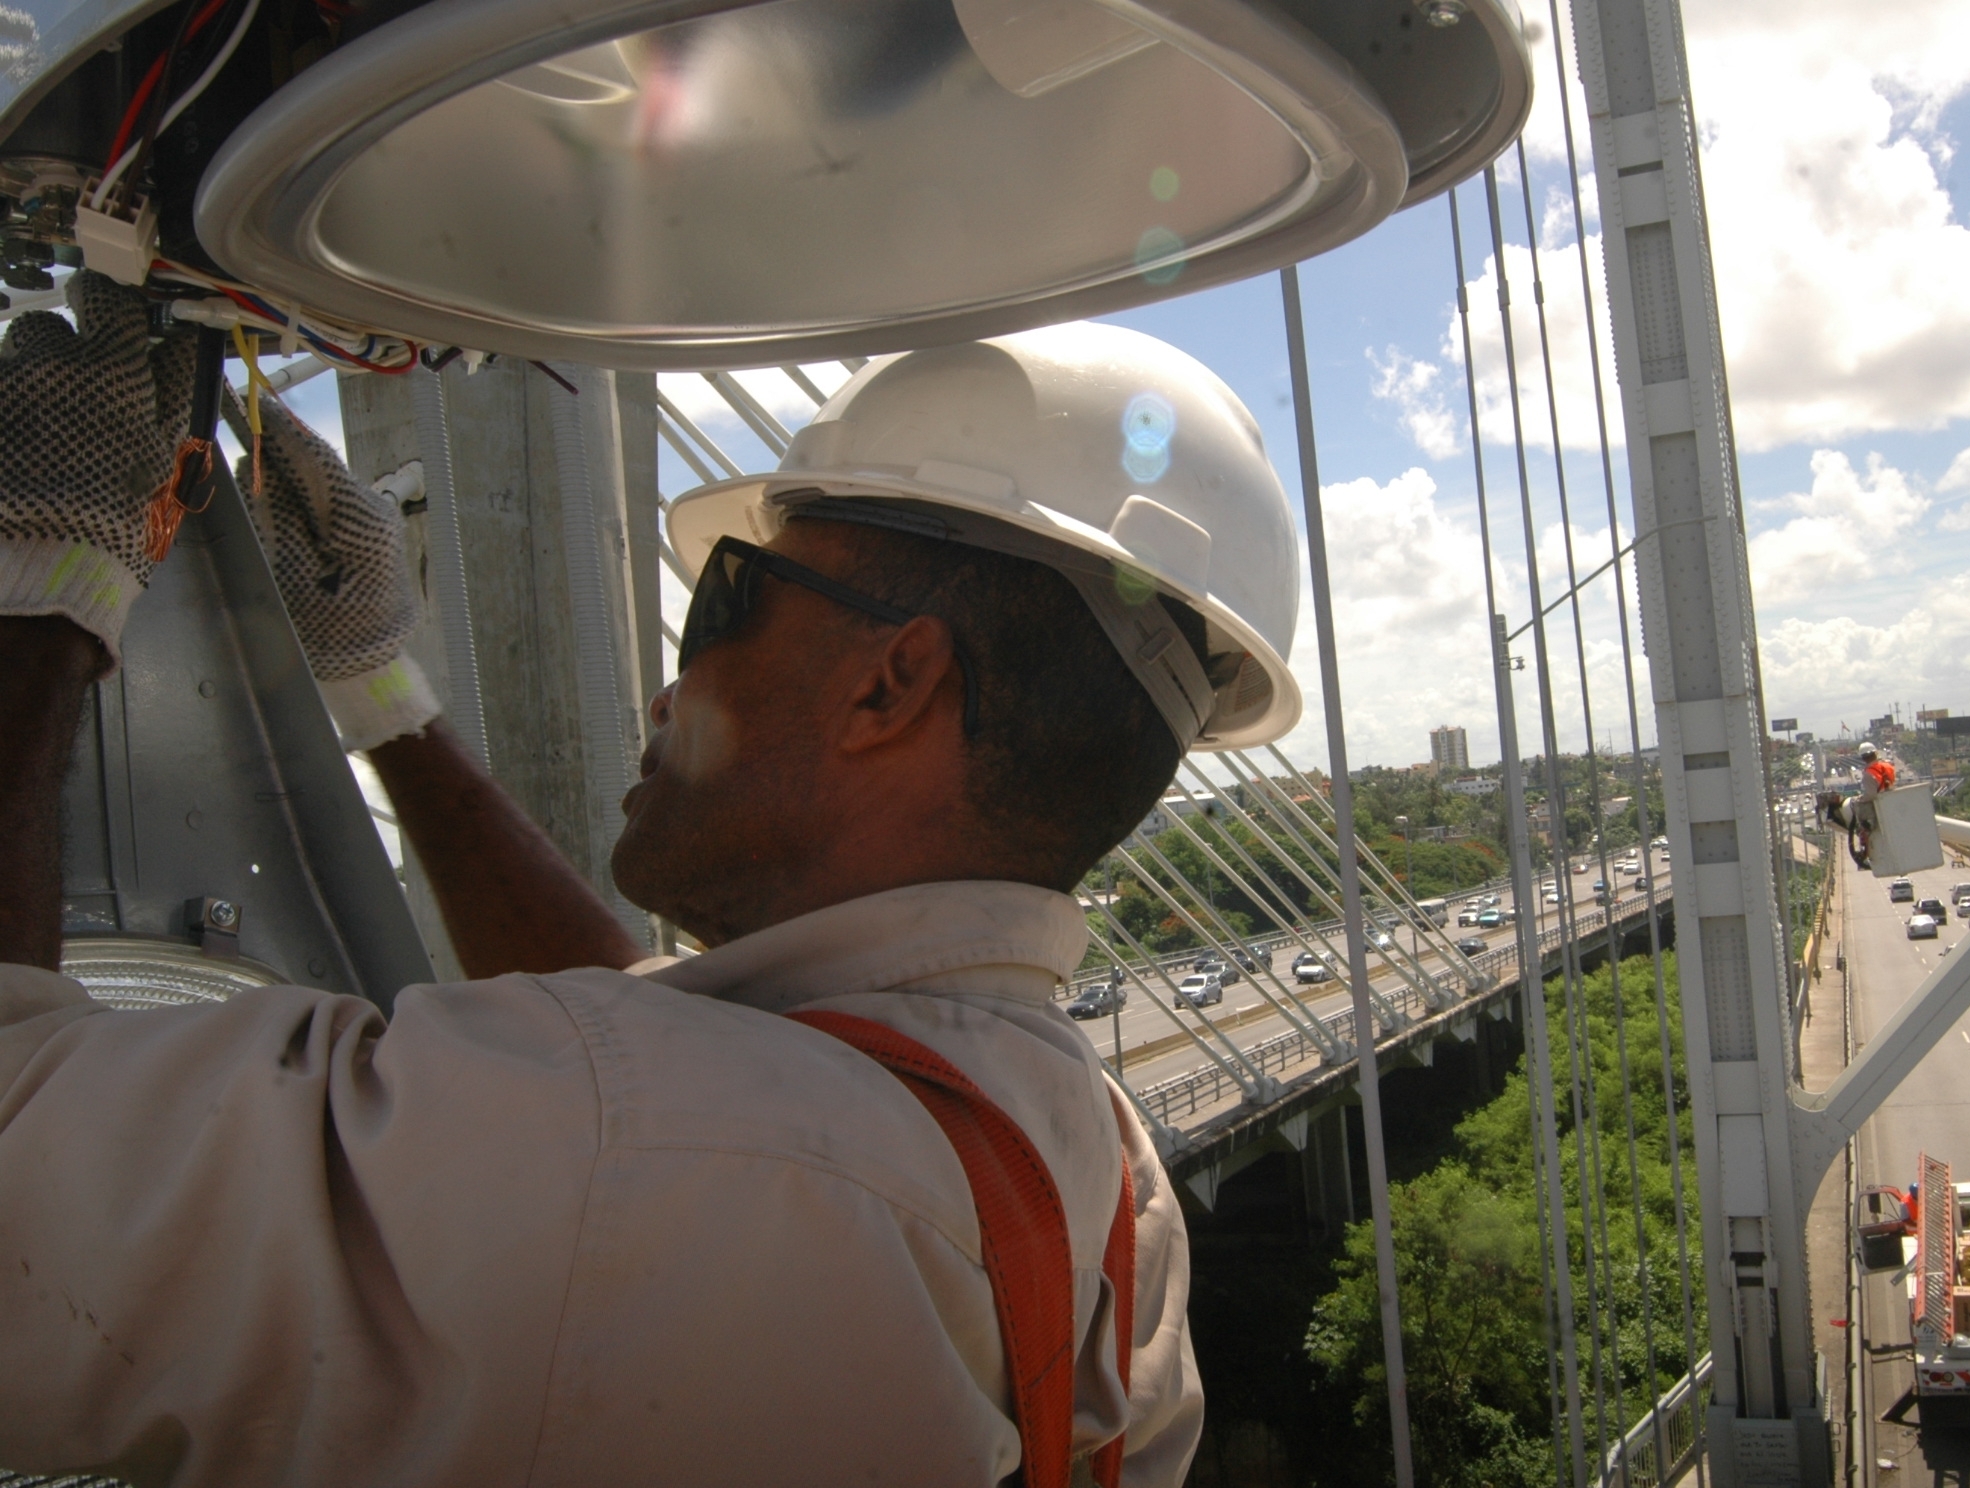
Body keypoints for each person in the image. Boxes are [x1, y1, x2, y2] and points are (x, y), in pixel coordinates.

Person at [0, 277, 1306, 1484]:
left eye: (727, 601)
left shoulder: (637, 1155)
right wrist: (380, 685)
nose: (675, 684)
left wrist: (48, 575)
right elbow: (651, 1035)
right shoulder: (1096, 1170)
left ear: (890, 683)